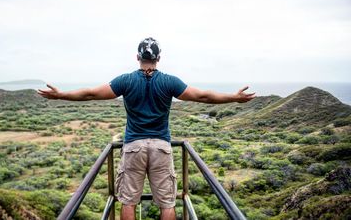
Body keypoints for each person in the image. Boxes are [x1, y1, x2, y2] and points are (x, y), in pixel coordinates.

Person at [37, 37, 255, 220]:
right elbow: (203, 96)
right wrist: (234, 98)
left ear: (138, 57)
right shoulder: (170, 82)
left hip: (133, 146)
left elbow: (91, 94)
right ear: (158, 59)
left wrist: (61, 94)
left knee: (128, 201)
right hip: (161, 146)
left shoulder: (126, 81)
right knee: (167, 202)